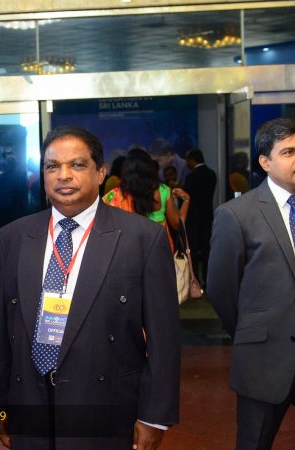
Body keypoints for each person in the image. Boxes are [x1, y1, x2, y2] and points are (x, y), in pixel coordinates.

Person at [0, 126, 180, 450]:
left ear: (101, 172)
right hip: (29, 403)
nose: (63, 175)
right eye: (52, 166)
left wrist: (154, 416)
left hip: (105, 407)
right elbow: (3, 330)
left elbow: (165, 338)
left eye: (77, 165)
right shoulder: (13, 237)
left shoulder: (143, 238)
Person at [208, 117, 295, 450]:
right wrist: (249, 331)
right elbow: (221, 289)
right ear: (265, 162)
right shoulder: (236, 214)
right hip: (264, 359)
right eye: (288, 152)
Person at [103, 148, 190, 250]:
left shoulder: (116, 195)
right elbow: (177, 224)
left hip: (131, 251)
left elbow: (104, 223)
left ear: (126, 171)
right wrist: (186, 200)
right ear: (150, 168)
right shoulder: (162, 191)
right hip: (160, 250)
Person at [183, 149, 216, 287]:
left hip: (192, 218)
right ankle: (208, 280)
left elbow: (186, 197)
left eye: (187, 160)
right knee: (207, 249)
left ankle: (195, 280)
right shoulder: (211, 174)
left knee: (193, 250)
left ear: (192, 159)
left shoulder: (191, 177)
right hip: (207, 216)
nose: (186, 163)